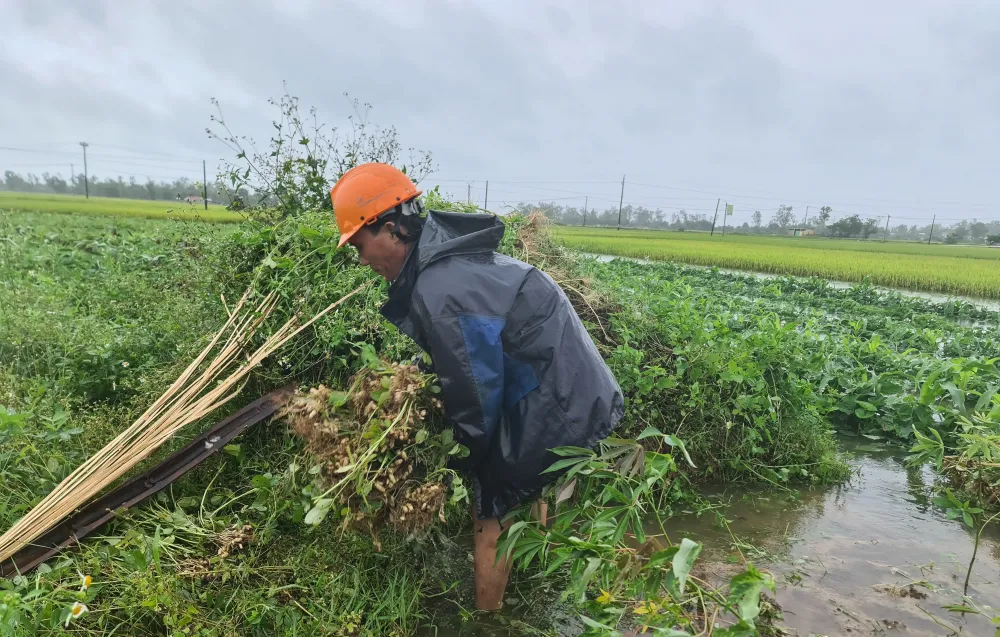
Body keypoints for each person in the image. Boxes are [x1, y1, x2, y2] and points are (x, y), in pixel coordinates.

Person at [330, 163, 623, 610]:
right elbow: (473, 352)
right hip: (561, 378)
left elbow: (474, 389)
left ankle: (490, 619)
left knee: (492, 497)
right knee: (523, 482)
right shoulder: (442, 260)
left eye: (361, 246)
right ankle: (532, 582)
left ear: (390, 229)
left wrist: (463, 454)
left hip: (557, 391)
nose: (362, 260)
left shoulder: (439, 286)